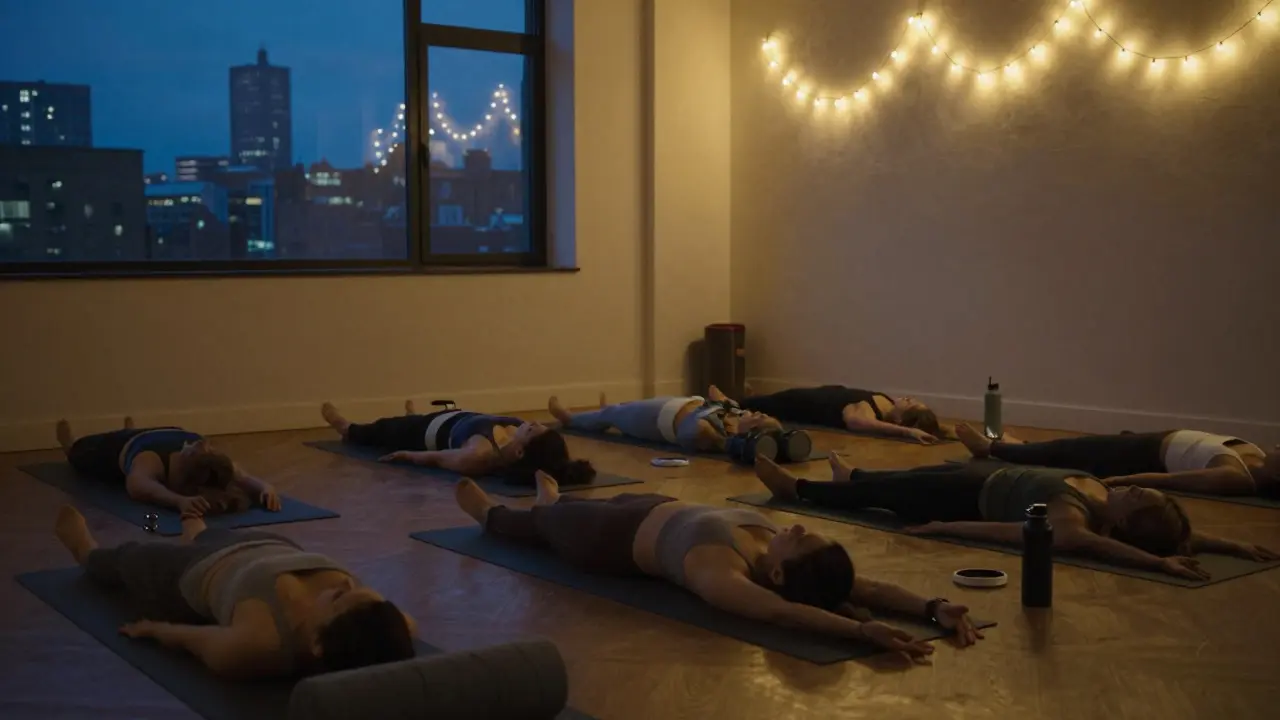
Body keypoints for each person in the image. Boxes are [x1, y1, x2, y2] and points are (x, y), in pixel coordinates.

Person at [454, 470, 985, 659]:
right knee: (582, 503)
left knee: (544, 526)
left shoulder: (721, 575)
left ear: (777, 577)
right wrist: (931, 605)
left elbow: (783, 617)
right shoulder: (783, 552)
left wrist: (861, 630)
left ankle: (494, 514)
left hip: (606, 542)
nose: (794, 526)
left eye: (797, 538)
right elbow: (868, 586)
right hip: (651, 506)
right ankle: (553, 499)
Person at [754, 453, 1279, 581]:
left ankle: (799, 488)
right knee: (895, 480)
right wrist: (1227, 544)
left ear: (1121, 525)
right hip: (985, 473)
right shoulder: (1104, 499)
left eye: (1137, 500)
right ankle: (856, 476)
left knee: (895, 495)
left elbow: (1095, 547)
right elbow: (1173, 531)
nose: (1138, 489)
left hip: (963, 499)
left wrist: (943, 528)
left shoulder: (1071, 521)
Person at [53, 504, 416, 679]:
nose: (345, 583)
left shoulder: (258, 645)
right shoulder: (384, 625)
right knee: (207, 536)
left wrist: (152, 629)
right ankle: (194, 530)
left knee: (126, 559)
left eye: (339, 597)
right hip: (270, 544)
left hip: (192, 572)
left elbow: (197, 640)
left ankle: (84, 549)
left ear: (319, 643)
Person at [955, 423, 1280, 499]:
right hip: (1149, 441)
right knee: (1067, 447)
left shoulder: (1237, 478)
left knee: (1069, 451)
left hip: (1142, 454)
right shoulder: (1258, 458)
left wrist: (1121, 482)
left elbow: (1170, 481)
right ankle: (1015, 444)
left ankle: (992, 449)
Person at [322, 400, 596, 486]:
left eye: (534, 429)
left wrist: (407, 454)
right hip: (455, 416)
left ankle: (346, 428)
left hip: (423, 431)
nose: (536, 423)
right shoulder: (514, 437)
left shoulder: (477, 454)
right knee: (411, 419)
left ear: (521, 450)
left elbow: (438, 458)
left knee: (380, 429)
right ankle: (412, 414)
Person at [57, 418, 280, 518]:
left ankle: (70, 448)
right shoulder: (207, 459)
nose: (202, 443)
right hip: (152, 433)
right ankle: (129, 429)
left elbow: (137, 486)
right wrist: (264, 487)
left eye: (194, 449)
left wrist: (178, 501)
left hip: (111, 449)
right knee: (128, 436)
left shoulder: (152, 462)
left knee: (80, 452)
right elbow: (244, 476)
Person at [548, 393, 784, 453]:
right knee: (622, 408)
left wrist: (719, 410)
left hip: (659, 421)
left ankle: (570, 419)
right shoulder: (735, 414)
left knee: (615, 414)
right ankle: (601, 413)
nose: (758, 412)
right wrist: (725, 403)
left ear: (751, 431)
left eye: (760, 417)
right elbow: (715, 393)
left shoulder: (721, 436)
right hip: (676, 404)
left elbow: (689, 435)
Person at [716, 384, 945, 445]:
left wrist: (909, 432)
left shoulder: (867, 413)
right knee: (771, 400)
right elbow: (934, 426)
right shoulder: (888, 404)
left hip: (804, 404)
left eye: (912, 405)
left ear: (899, 420)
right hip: (821, 393)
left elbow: (857, 423)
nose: (910, 399)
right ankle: (748, 398)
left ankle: (728, 403)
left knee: (770, 404)